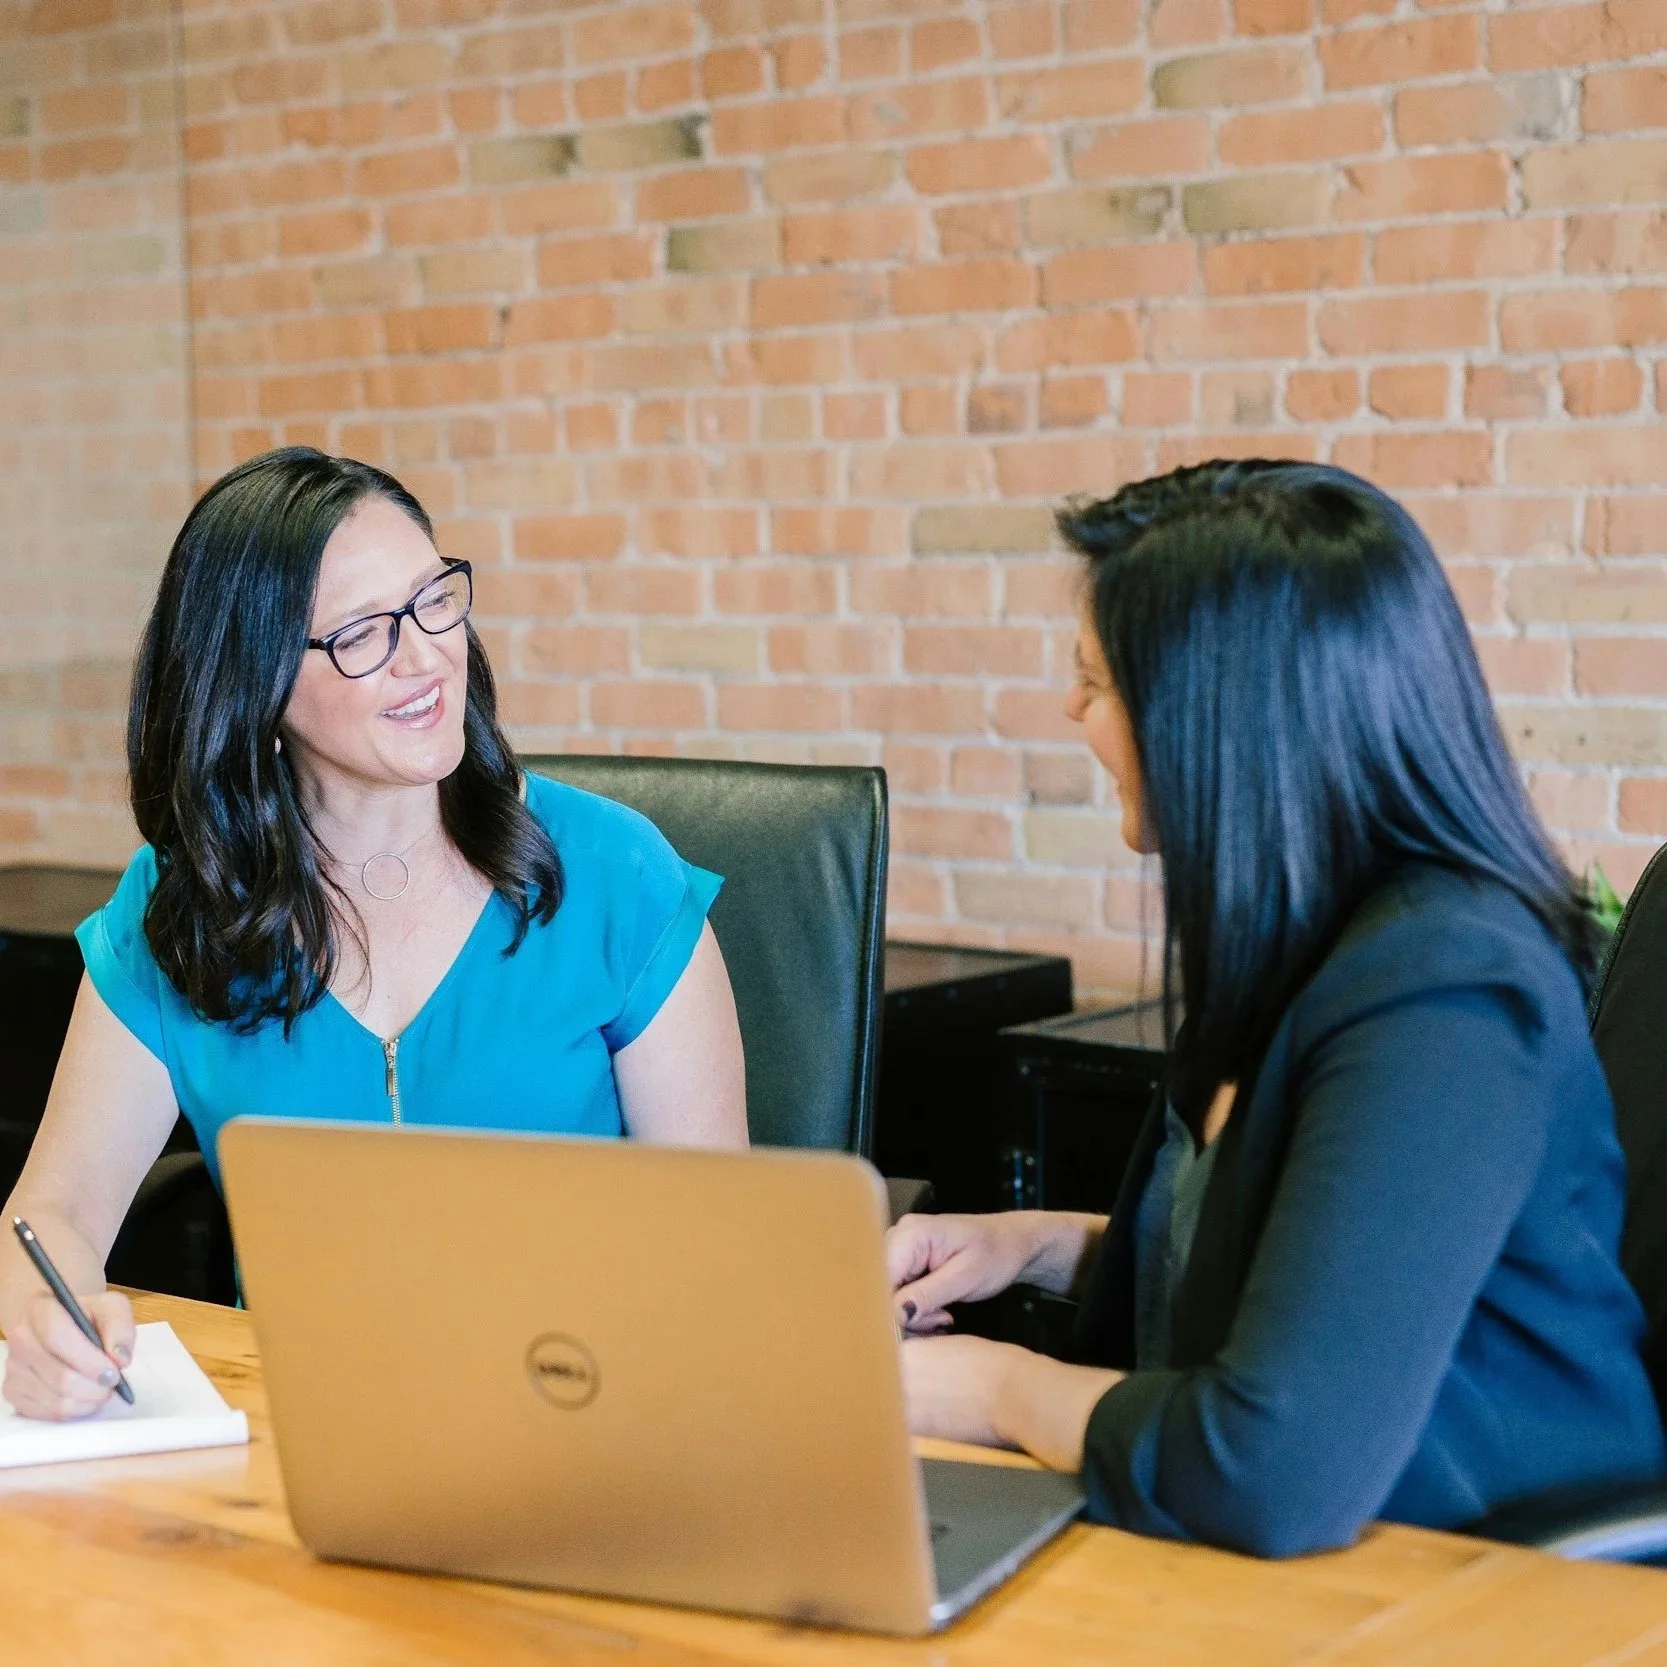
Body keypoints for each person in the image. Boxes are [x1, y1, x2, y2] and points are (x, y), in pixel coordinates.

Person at [888, 460, 1667, 1556]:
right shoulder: (1301, 941)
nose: (1069, 709)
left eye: (1095, 681)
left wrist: (991, 1388)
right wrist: (1031, 1243)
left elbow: (1267, 1464)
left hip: (1490, 1576)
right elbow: (1300, 1263)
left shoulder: (1445, 992)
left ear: (1217, 718)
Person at [1, 447, 746, 1420]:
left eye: (435, 598)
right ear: (255, 682)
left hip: (586, 1422)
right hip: (296, 1439)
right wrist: (38, 1319)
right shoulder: (179, 912)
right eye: (362, 632)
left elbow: (724, 1251)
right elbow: (51, 1208)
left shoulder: (615, 877)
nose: (426, 652)